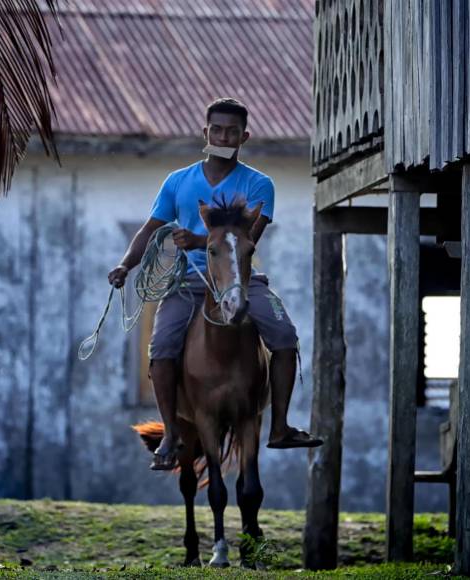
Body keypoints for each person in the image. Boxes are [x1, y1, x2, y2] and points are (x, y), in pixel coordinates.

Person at [108, 97, 322, 470]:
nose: (224, 136)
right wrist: (126, 265)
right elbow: (151, 228)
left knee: (285, 334)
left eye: (232, 131)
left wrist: (196, 239)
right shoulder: (177, 182)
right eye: (217, 129)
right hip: (187, 283)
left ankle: (280, 426)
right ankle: (173, 434)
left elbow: (249, 238)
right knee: (160, 347)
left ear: (245, 136)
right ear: (205, 132)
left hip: (242, 279)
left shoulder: (259, 184)